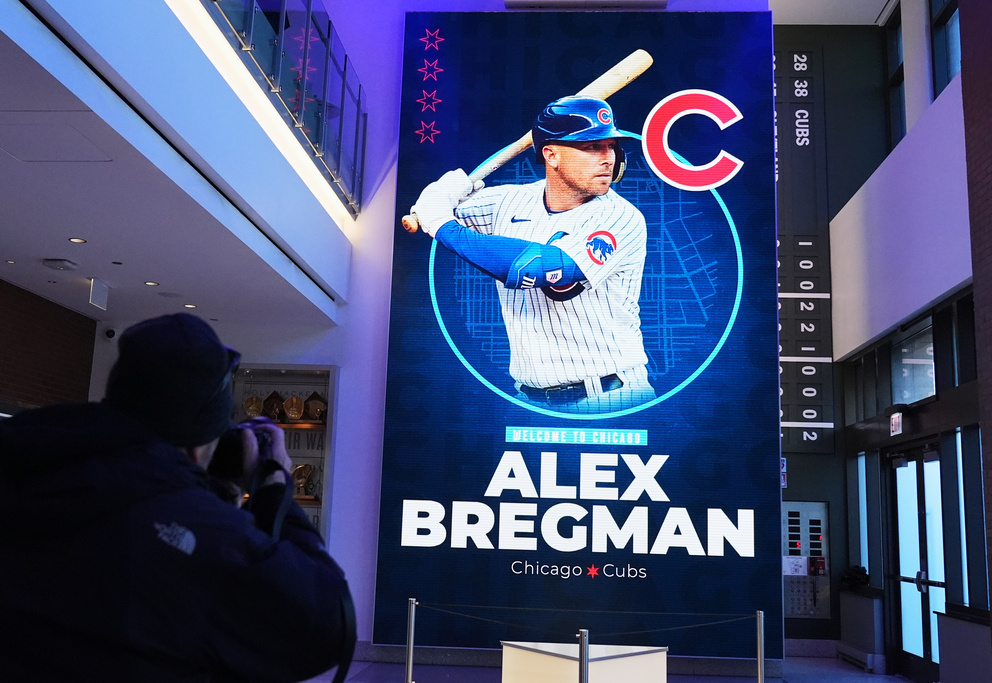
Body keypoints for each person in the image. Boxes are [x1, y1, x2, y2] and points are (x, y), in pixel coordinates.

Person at [0, 313, 354, 682]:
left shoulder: (29, 458)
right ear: (197, 448)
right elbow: (325, 622)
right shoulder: (185, 528)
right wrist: (273, 490)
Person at [413, 95, 655, 413]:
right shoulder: (508, 202)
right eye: (591, 146)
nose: (608, 157)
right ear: (551, 155)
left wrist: (443, 226)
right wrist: (444, 192)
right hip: (529, 401)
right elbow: (434, 209)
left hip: (612, 397)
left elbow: (536, 267)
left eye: (610, 146)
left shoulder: (620, 217)